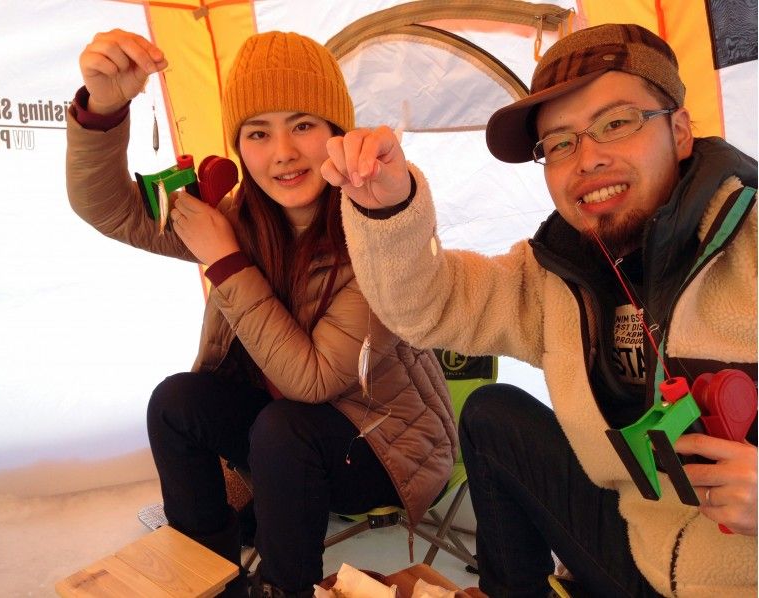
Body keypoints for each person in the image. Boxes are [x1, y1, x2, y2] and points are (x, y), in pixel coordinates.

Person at [322, 23, 757, 597]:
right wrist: (388, 208)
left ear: (678, 131)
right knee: (491, 413)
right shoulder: (559, 272)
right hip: (639, 548)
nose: (588, 158)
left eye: (616, 123)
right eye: (559, 143)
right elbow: (430, 305)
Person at [66, 29, 458, 598]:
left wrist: (223, 259)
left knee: (285, 427)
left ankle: (282, 588)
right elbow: (108, 209)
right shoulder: (241, 214)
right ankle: (208, 577)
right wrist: (104, 108)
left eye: (303, 125)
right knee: (177, 402)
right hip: (284, 437)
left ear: (336, 134)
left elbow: (315, 380)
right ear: (240, 144)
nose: (282, 153)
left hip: (388, 448)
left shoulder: (376, 230)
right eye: (258, 132)